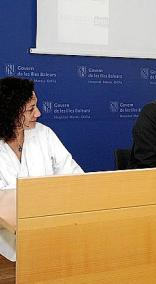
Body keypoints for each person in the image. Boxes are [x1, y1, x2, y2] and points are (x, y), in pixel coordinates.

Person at [0, 77, 83, 262]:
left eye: (36, 105)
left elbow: (74, 176)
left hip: (51, 228)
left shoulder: (44, 133)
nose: (38, 113)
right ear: (9, 112)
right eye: (30, 109)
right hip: (6, 244)